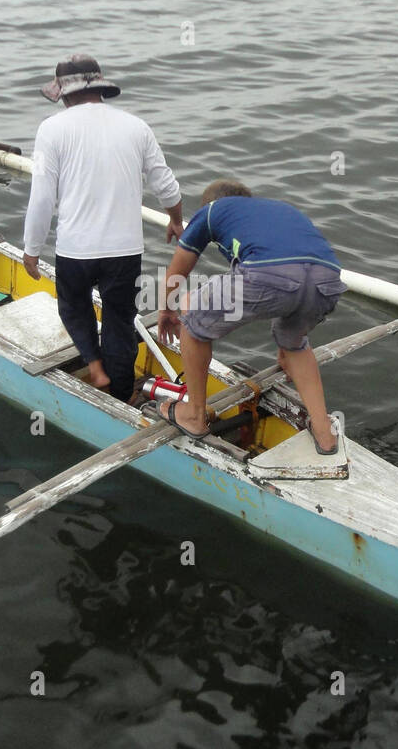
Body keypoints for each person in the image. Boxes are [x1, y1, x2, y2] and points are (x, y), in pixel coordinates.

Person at [22, 54, 184, 403]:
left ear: (64, 95)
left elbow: (41, 199)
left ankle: (96, 368)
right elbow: (166, 184)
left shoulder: (51, 129)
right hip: (124, 251)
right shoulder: (136, 127)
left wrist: (31, 249)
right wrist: (174, 219)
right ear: (99, 88)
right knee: (120, 322)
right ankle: (122, 396)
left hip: (75, 249)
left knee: (73, 307)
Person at [155, 180, 348, 454]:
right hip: (327, 278)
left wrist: (166, 310)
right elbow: (297, 264)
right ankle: (323, 430)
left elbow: (178, 269)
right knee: (295, 342)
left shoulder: (211, 211)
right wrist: (286, 345)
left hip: (268, 273)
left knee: (191, 314)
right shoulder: (277, 210)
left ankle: (194, 414)